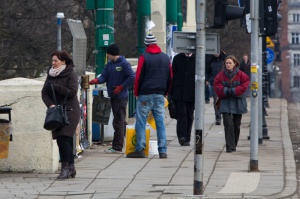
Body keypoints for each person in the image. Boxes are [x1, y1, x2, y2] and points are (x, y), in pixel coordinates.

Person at [127, 34, 172, 159]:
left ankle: (140, 149)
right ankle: (162, 150)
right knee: (160, 123)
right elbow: (170, 77)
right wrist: (165, 93)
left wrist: (136, 93)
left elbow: (138, 77)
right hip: (159, 94)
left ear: (146, 45)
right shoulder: (165, 58)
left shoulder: (144, 57)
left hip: (145, 94)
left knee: (141, 122)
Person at [89, 44, 135, 154]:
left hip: (120, 97)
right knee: (119, 121)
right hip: (113, 96)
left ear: (112, 54)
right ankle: (118, 144)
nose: (107, 56)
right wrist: (96, 80)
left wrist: (122, 87)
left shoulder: (124, 64)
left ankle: (117, 147)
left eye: (108, 54)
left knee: (118, 122)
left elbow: (132, 77)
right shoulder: (109, 65)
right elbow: (104, 76)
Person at [41, 50, 81, 179]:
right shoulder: (50, 74)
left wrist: (56, 88)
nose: (53, 63)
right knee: (65, 139)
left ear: (63, 61)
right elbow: (44, 93)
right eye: (52, 60)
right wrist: (51, 105)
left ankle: (65, 168)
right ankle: (71, 167)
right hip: (57, 112)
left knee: (63, 138)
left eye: (55, 61)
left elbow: (72, 92)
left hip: (70, 110)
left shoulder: (70, 74)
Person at [213, 55, 250, 153]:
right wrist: (226, 91)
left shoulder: (241, 75)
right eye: (226, 63)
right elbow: (217, 86)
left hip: (238, 102)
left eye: (230, 63)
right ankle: (230, 146)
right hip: (225, 102)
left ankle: (234, 143)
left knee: (236, 124)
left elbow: (245, 85)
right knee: (228, 123)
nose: (228, 65)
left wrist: (233, 91)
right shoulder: (220, 75)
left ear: (234, 64)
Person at [169, 53, 195, 146]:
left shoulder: (196, 58)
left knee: (190, 115)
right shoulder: (177, 58)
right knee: (181, 113)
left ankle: (187, 136)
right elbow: (172, 76)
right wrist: (171, 92)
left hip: (192, 92)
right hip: (179, 91)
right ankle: (182, 136)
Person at [205, 50, 227, 125]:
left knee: (225, 100)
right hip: (215, 83)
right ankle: (218, 117)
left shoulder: (224, 60)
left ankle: (225, 115)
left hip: (224, 83)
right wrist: (207, 80)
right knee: (216, 100)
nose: (216, 54)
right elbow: (207, 71)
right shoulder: (210, 60)